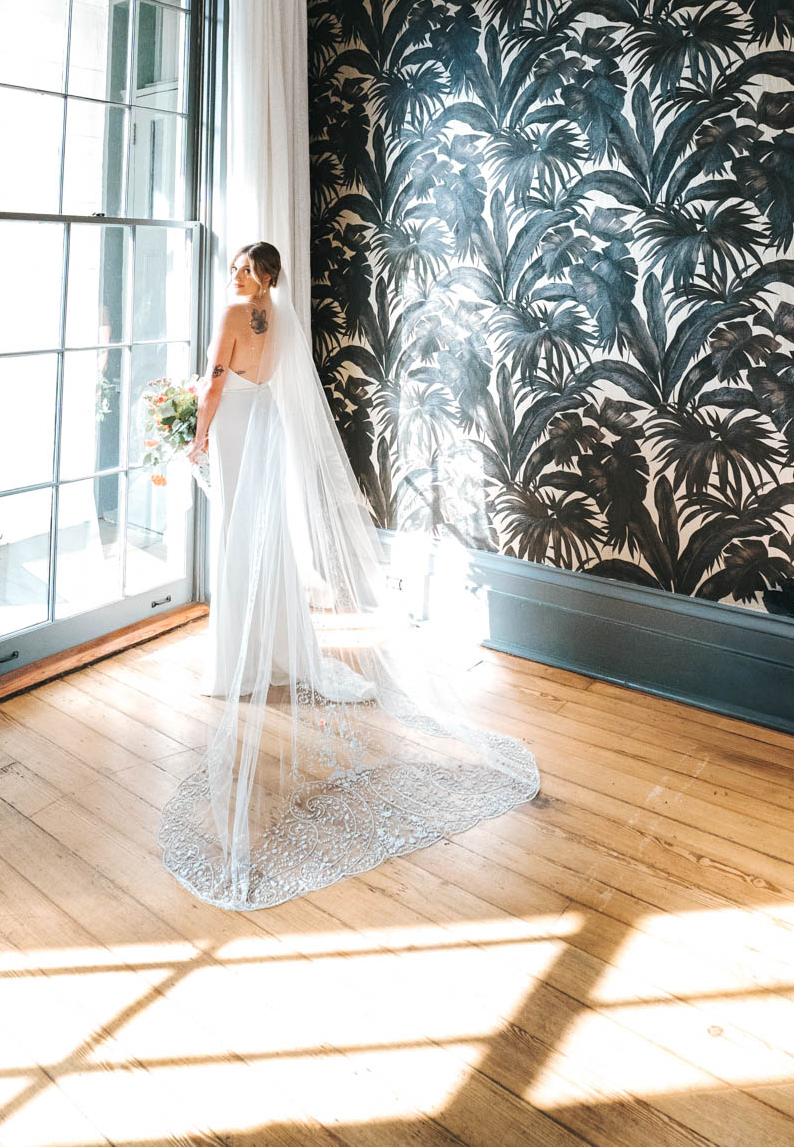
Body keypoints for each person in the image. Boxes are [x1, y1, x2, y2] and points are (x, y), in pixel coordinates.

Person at [160, 241, 539, 911]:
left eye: (244, 268)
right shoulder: (274, 316)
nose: (234, 274)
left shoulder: (233, 314)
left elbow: (217, 382)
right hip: (266, 421)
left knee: (238, 538)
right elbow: (260, 376)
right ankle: (276, 647)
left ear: (263, 275)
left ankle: (244, 660)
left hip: (240, 424)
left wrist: (196, 434)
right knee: (262, 538)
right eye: (234, 267)